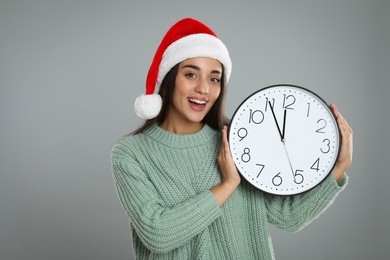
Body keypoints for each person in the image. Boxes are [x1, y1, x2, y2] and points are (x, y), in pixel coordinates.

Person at [111, 18, 353, 260]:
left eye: (214, 78)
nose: (204, 89)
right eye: (191, 75)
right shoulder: (131, 153)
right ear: (169, 78)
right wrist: (227, 184)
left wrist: (339, 167)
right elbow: (158, 233)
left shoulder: (237, 139)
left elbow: (288, 216)